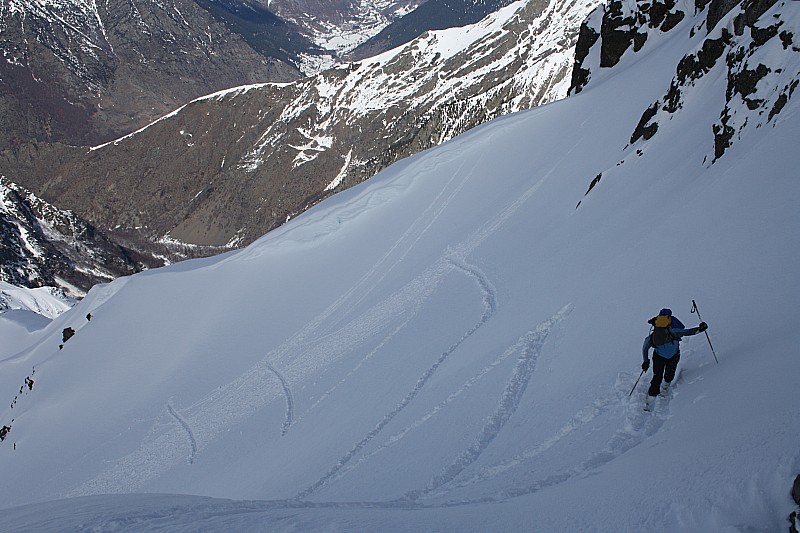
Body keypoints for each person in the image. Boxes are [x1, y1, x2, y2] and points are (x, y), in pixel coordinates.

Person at [642, 308, 707, 398]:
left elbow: (645, 347)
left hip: (658, 357)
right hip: (673, 356)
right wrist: (701, 329)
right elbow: (688, 332)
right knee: (669, 374)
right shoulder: (674, 331)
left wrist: (646, 361)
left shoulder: (654, 335)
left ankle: (652, 395)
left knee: (657, 376)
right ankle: (665, 388)